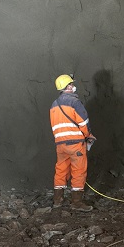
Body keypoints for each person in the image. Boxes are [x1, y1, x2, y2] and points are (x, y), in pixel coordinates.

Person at [50, 74, 96, 211]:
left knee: (61, 170)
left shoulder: (54, 104)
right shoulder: (74, 102)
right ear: (68, 86)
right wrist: (88, 136)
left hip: (60, 144)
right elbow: (84, 122)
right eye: (71, 84)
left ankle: (57, 200)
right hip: (75, 143)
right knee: (78, 170)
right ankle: (76, 202)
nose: (73, 86)